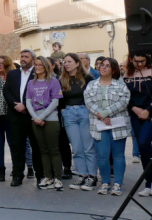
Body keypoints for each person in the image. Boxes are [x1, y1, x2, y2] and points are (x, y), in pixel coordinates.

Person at [123, 52, 152, 197]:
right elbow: (124, 95)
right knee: (144, 148)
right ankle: (149, 182)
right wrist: (134, 108)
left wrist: (149, 110)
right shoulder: (127, 75)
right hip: (136, 113)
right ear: (131, 59)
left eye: (143, 61)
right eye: (137, 61)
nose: (140, 64)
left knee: (143, 142)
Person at [85, 57, 131, 196]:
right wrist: (101, 115)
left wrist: (106, 113)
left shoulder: (121, 85)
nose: (103, 67)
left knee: (118, 155)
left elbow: (123, 101)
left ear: (114, 69)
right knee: (102, 156)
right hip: (98, 124)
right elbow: (88, 101)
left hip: (117, 124)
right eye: (101, 65)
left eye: (107, 66)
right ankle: (105, 182)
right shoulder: (91, 85)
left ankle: (117, 183)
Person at [4, 50, 44, 187]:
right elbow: (6, 91)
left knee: (36, 147)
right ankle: (17, 176)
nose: (23, 59)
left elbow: (41, 93)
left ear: (33, 60)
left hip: (33, 115)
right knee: (17, 147)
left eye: (26, 57)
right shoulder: (12, 73)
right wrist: (16, 105)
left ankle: (40, 176)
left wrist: (26, 106)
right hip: (15, 115)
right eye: (21, 56)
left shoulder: (38, 73)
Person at [59, 53, 97, 191]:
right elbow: (60, 98)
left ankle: (92, 176)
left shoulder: (87, 78)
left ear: (77, 63)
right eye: (65, 62)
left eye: (69, 61)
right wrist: (63, 110)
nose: (66, 64)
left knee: (88, 146)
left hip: (84, 112)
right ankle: (82, 174)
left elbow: (92, 97)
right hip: (69, 113)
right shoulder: (62, 79)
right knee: (76, 147)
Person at [25, 56, 64, 191]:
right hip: (36, 119)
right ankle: (48, 177)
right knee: (43, 150)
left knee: (54, 149)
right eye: (35, 65)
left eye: (40, 65)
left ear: (46, 67)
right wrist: (35, 117)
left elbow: (55, 101)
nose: (37, 67)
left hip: (50, 118)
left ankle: (58, 178)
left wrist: (41, 116)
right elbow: (28, 102)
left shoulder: (53, 81)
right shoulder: (31, 83)